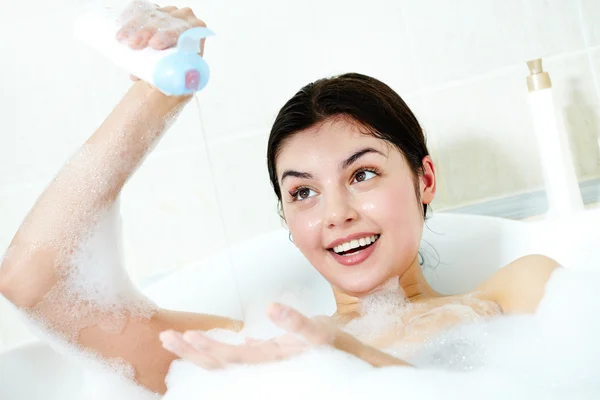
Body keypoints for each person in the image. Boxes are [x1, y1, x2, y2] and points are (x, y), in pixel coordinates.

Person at [0, 2, 560, 395]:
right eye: (303, 192)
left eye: (362, 175)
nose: (336, 214)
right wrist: (162, 91)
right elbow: (33, 281)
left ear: (425, 180)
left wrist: (351, 361)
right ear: (288, 221)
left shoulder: (517, 291)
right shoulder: (253, 354)